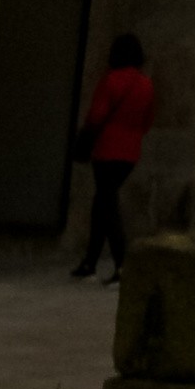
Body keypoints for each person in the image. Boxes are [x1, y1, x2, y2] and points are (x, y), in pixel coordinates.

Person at [71, 32, 155, 281]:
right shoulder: (146, 85)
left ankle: (121, 263)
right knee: (103, 202)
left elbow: (96, 115)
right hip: (130, 152)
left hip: (107, 149)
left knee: (107, 205)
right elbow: (147, 121)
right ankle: (90, 261)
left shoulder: (111, 80)